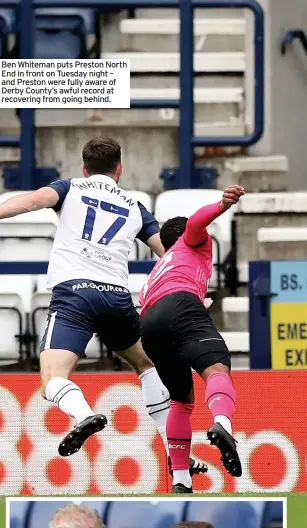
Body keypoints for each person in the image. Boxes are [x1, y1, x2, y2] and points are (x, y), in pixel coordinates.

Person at [0, 136, 206, 478]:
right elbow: (168, 256)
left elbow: (33, 201)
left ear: (84, 168)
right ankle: (177, 454)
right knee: (146, 365)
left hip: (76, 295)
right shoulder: (135, 206)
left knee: (52, 377)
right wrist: (196, 291)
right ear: (119, 169)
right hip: (116, 296)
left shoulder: (70, 188)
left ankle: (83, 415)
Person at [139, 185, 245, 494]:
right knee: (216, 370)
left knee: (181, 402)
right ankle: (223, 424)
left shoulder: (158, 268)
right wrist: (221, 205)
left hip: (149, 322)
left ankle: (181, 480)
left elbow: (156, 304)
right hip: (180, 305)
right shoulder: (194, 243)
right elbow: (197, 224)